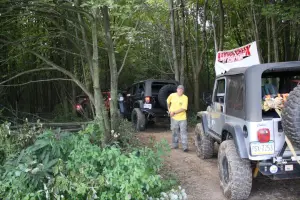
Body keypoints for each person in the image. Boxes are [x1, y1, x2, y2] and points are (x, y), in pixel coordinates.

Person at [167, 85, 188, 152]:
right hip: (174, 118)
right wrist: (169, 110)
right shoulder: (172, 95)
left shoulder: (185, 98)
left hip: (182, 118)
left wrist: (174, 112)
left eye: (181, 90)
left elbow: (183, 108)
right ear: (177, 89)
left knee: (183, 132)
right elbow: (168, 102)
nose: (180, 91)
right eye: (179, 89)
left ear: (183, 91)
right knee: (174, 132)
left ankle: (185, 147)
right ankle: (175, 145)